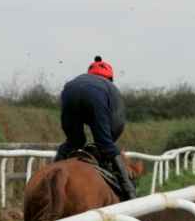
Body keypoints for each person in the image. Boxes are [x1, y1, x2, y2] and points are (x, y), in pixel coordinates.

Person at [55, 56, 137, 201]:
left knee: (74, 141)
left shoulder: (80, 79)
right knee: (105, 144)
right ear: (109, 78)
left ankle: (54, 172)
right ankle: (129, 191)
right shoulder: (110, 87)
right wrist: (106, 144)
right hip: (95, 96)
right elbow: (117, 124)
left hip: (69, 91)